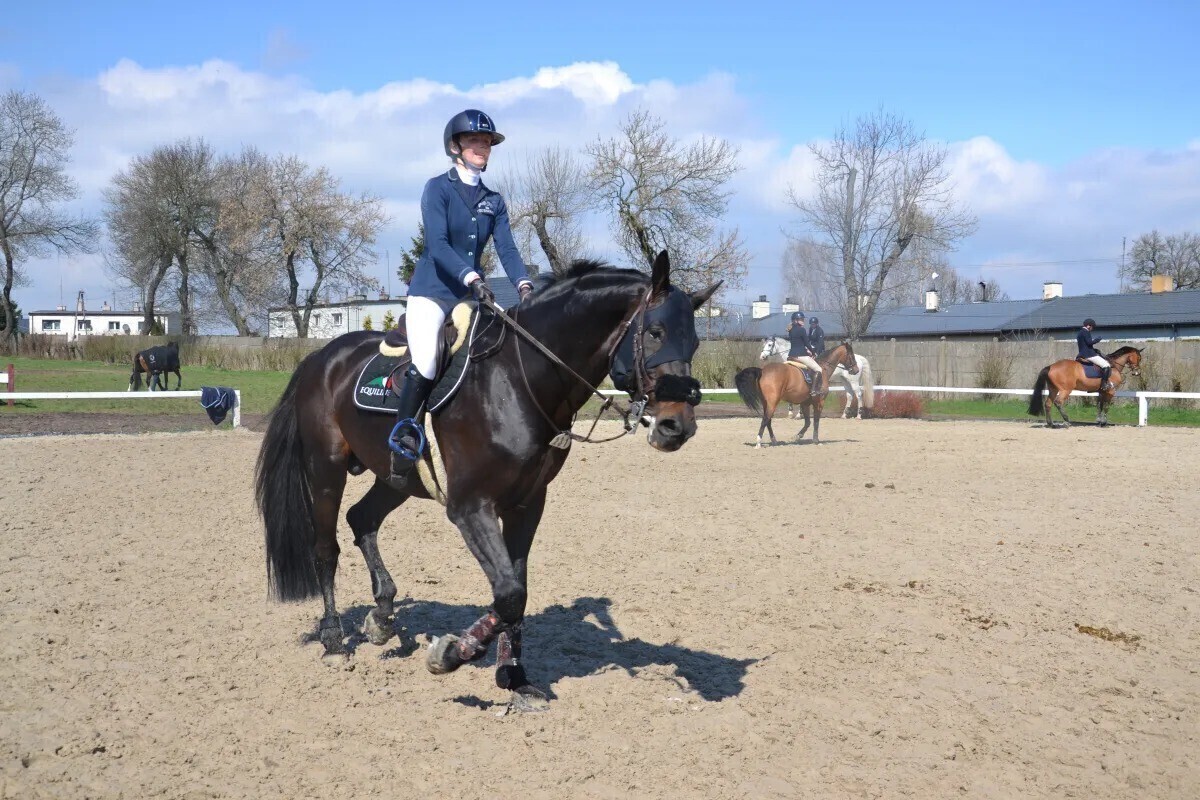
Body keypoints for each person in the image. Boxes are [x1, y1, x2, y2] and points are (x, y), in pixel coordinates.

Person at [388, 109, 534, 480]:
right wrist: (470, 276)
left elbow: (508, 249)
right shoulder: (437, 188)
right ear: (456, 147)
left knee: (499, 349)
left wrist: (524, 285)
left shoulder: (494, 200)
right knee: (427, 361)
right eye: (474, 140)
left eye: (486, 141)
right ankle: (405, 434)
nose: (482, 146)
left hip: (473, 295)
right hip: (433, 293)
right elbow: (436, 244)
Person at [786, 311, 825, 397]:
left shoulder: (790, 330)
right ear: (795, 320)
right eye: (801, 319)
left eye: (803, 319)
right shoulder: (802, 330)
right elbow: (807, 343)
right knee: (819, 369)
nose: (803, 320)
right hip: (801, 356)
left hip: (791, 355)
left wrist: (806, 350)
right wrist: (813, 352)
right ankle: (813, 390)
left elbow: (797, 343)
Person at [1076, 318, 1112, 391]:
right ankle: (1103, 384)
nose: (1092, 329)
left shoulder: (1080, 332)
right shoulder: (1086, 332)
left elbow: (1085, 345)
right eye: (1092, 327)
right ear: (1089, 326)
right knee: (1106, 365)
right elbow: (1089, 342)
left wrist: (1094, 350)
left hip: (1082, 353)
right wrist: (1097, 339)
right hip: (1089, 355)